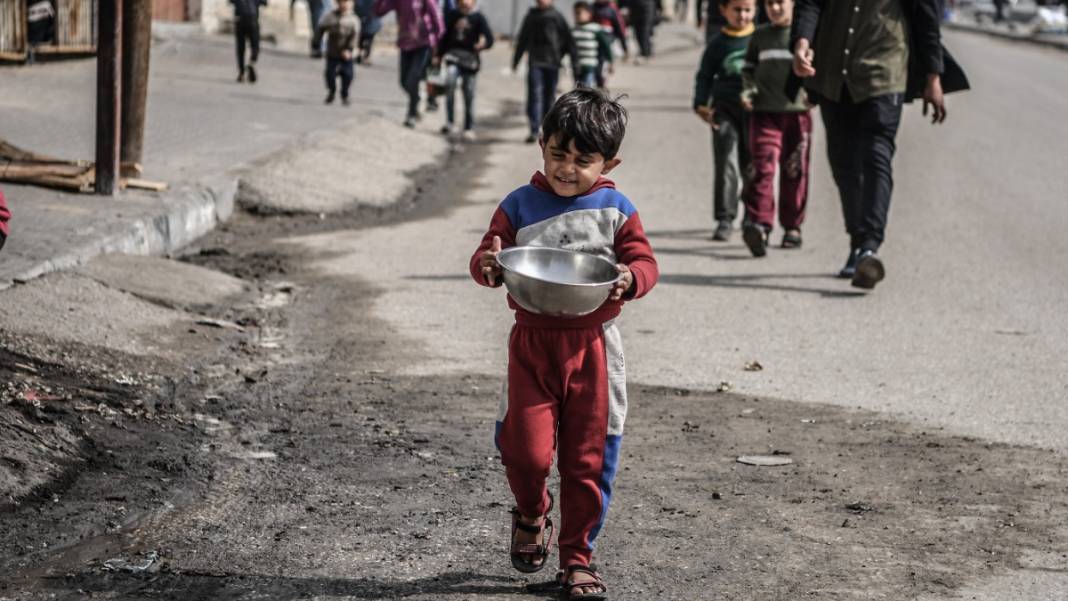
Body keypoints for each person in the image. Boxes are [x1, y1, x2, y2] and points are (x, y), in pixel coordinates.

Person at [470, 88, 658, 601]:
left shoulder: (616, 209)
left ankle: (577, 558)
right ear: (542, 146)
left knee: (589, 459)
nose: (567, 169)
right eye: (558, 154)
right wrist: (487, 266)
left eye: (583, 160)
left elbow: (645, 263)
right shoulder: (519, 204)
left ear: (608, 162)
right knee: (525, 452)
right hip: (531, 346)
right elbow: (489, 256)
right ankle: (532, 511)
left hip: (594, 348)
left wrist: (629, 277)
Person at [792, 0, 968, 287]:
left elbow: (925, 17)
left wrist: (933, 75)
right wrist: (802, 42)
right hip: (833, 72)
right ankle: (858, 242)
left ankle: (870, 246)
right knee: (842, 161)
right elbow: (810, 3)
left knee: (877, 153)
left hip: (885, 72)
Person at [738, 0, 811, 255]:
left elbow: (817, 69)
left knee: (795, 171)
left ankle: (792, 227)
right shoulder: (760, 36)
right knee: (763, 169)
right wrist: (748, 91)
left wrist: (815, 94)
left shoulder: (805, 36)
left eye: (781, 2)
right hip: (764, 114)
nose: (775, 8)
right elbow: (748, 69)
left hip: (797, 115)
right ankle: (760, 225)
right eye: (769, 3)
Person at [693, 0, 756, 241]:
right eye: (737, 10)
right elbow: (705, 75)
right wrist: (700, 103)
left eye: (748, 10)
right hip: (724, 110)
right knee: (726, 164)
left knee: (752, 165)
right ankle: (725, 218)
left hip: (755, 112)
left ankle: (753, 216)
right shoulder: (718, 43)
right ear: (724, 11)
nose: (742, 15)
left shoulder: (760, 39)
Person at [512, 0, 577, 144]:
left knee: (549, 96)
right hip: (535, 61)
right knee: (534, 95)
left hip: (552, 62)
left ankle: (547, 130)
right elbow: (522, 38)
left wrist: (572, 60)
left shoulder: (557, 16)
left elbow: (568, 40)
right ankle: (534, 130)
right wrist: (516, 60)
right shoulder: (531, 16)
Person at [374, 0, 445, 128]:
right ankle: (419, 97)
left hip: (423, 43)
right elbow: (379, 11)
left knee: (414, 78)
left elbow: (437, 20)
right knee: (404, 82)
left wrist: (438, 43)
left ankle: (412, 114)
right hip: (405, 43)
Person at [435, 0, 494, 141]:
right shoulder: (451, 15)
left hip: (470, 60)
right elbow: (443, 37)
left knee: (469, 93)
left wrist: (482, 45)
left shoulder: (478, 17)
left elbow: (490, 40)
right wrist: (438, 56)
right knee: (449, 83)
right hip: (453, 56)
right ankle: (450, 122)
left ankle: (468, 127)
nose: (465, 2)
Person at [315, 0, 359, 105]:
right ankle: (332, 91)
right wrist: (316, 45)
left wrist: (349, 49)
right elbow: (320, 29)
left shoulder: (353, 20)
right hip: (332, 52)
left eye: (347, 2)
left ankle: (345, 94)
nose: (344, 5)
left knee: (348, 75)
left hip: (347, 55)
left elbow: (355, 37)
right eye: (341, 2)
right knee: (330, 74)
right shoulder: (330, 17)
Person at [572, 1, 614, 88]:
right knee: (578, 89)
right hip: (576, 66)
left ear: (589, 14)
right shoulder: (573, 30)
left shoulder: (595, 29)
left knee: (587, 88)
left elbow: (606, 46)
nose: (577, 15)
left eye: (579, 13)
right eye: (575, 13)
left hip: (590, 65)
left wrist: (610, 62)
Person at [592, 0, 629, 87]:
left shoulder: (612, 9)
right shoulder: (592, 8)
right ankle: (598, 81)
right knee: (596, 62)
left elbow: (620, 28)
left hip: (608, 40)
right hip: (594, 41)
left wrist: (625, 47)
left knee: (605, 62)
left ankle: (602, 81)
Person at [231, 0, 267, 83]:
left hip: (239, 20)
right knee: (255, 46)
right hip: (252, 20)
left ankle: (242, 73)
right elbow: (265, 3)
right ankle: (252, 61)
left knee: (240, 48)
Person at [355, 0, 382, 65]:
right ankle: (363, 56)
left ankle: (363, 56)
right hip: (367, 20)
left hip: (368, 20)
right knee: (365, 40)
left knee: (364, 40)